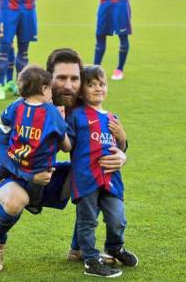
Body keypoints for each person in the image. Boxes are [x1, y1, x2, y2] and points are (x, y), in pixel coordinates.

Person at [0, 48, 128, 273]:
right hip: (4, 172)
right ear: (48, 80)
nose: (68, 85)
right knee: (17, 199)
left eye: (75, 79)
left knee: (91, 175)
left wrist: (122, 152)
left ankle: (78, 249)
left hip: (43, 174)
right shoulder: (27, 105)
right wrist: (27, 174)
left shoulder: (78, 108)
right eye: (61, 78)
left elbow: (103, 137)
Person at [67, 65, 138, 277]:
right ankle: (90, 259)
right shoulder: (77, 115)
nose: (98, 88)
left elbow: (120, 148)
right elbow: (67, 144)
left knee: (117, 217)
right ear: (81, 90)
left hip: (112, 178)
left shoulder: (112, 117)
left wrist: (123, 136)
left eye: (102, 84)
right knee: (88, 220)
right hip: (86, 178)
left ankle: (114, 247)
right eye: (91, 85)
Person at [0, 65, 71, 217]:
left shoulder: (17, 106)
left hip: (16, 154)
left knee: (13, 159)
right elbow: (66, 147)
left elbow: (4, 118)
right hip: (34, 164)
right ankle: (34, 202)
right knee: (39, 179)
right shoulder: (51, 113)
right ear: (44, 89)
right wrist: (29, 176)